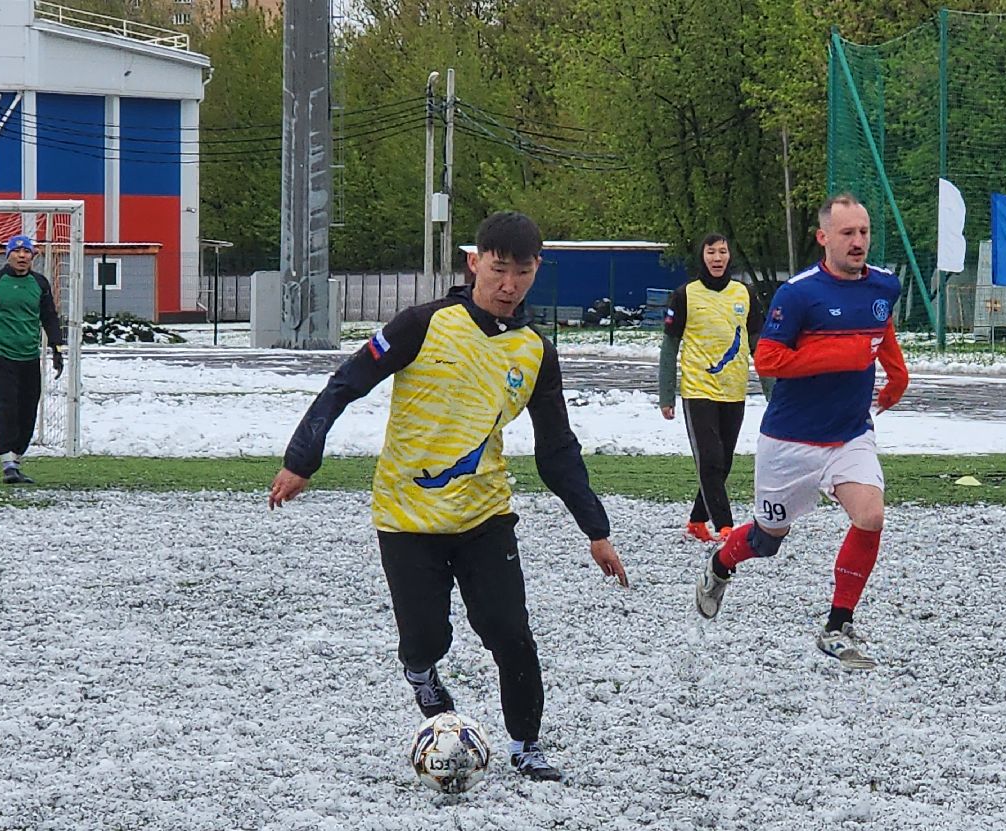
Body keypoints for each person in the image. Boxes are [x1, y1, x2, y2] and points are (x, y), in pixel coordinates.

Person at [269, 211, 628, 783]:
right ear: (474, 263)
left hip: (485, 514)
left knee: (510, 633)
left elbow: (557, 449)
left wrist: (596, 530)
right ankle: (419, 668)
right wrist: (301, 459)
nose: (509, 285)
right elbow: (346, 382)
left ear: (538, 270)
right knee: (428, 638)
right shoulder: (422, 324)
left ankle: (526, 747)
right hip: (407, 516)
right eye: (499, 269)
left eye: (523, 272)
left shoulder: (535, 350)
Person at [694, 194, 908, 670]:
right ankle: (719, 565)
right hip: (789, 441)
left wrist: (897, 375)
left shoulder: (884, 287)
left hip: (850, 434)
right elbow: (767, 360)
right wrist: (836, 357)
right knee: (767, 540)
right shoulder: (798, 294)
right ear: (823, 237)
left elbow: (881, 330)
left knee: (870, 515)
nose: (858, 242)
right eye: (847, 233)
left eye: (864, 232)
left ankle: (837, 626)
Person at [657, 233, 766, 541]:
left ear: (729, 256)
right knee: (711, 459)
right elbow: (669, 348)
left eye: (722, 252)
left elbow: (759, 345)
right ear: (701, 256)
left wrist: (775, 391)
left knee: (725, 459)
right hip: (698, 389)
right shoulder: (684, 295)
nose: (717, 258)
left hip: (734, 388)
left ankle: (696, 520)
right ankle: (725, 525)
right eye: (711, 252)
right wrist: (666, 394)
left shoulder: (745, 294)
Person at [0, 235, 64, 484]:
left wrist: (56, 347)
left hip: (29, 356)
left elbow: (49, 316)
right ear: (7, 255)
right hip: (0, 354)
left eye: (27, 252)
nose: (22, 256)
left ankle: (17, 458)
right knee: (7, 407)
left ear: (34, 256)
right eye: (17, 251)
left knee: (28, 409)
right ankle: (8, 463)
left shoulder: (40, 283)